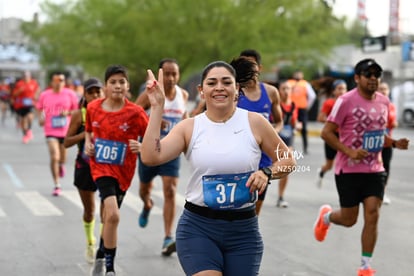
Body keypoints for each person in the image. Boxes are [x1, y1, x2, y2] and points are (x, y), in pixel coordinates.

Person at [140, 61, 296, 275]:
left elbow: (288, 159)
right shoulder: (190, 127)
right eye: (212, 83)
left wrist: (267, 172)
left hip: (244, 231)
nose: (219, 87)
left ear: (237, 89)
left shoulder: (255, 122)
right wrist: (157, 107)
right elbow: (150, 156)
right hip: (199, 228)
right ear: (201, 91)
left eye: (226, 82)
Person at [313, 58, 409, 276]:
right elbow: (326, 132)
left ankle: (365, 266)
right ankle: (326, 217)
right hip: (348, 170)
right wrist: (349, 151)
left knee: (373, 214)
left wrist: (393, 143)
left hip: (375, 169)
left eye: (377, 74)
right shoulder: (345, 101)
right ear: (357, 78)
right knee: (349, 220)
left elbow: (377, 134)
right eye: (369, 74)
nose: (374, 78)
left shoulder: (384, 102)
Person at [84, 65, 148, 276]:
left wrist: (142, 147)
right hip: (100, 167)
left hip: (124, 170)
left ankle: (102, 254)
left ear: (127, 86)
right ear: (106, 86)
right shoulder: (93, 107)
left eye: (122, 82)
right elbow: (89, 131)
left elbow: (152, 137)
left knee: (108, 217)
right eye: (113, 82)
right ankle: (109, 268)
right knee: (113, 215)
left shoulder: (136, 113)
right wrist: (88, 144)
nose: (118, 86)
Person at [135, 58, 189, 256]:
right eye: (167, 73)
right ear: (160, 74)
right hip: (149, 149)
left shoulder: (183, 95)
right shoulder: (150, 94)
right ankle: (147, 204)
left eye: (174, 73)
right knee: (144, 189)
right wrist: (154, 119)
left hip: (171, 151)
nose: (171, 78)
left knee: (170, 190)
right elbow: (133, 112)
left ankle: (168, 236)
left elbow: (186, 121)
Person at [231, 49, 283, 215]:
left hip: (263, 158)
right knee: (233, 206)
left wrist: (270, 133)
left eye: (251, 65)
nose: (247, 69)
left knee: (254, 211)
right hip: (238, 155)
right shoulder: (234, 92)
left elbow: (280, 121)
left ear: (259, 68)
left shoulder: (271, 92)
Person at [63, 77, 104, 264]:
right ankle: (90, 242)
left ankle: (104, 245)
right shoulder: (79, 114)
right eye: (91, 92)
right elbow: (66, 142)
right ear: (85, 95)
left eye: (98, 91)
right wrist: (85, 133)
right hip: (85, 167)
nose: (95, 95)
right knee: (90, 211)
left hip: (106, 166)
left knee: (108, 211)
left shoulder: (111, 112)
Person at [36, 72, 79, 196]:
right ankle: (56, 184)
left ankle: (61, 165)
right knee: (54, 156)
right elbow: (39, 108)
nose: (59, 82)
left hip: (66, 131)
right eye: (56, 80)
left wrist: (68, 113)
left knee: (62, 158)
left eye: (61, 80)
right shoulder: (45, 94)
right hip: (50, 130)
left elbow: (77, 110)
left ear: (64, 82)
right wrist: (40, 118)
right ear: (52, 82)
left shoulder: (70, 94)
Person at [316, 79, 347, 188]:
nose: (342, 91)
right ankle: (322, 171)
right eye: (339, 89)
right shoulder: (329, 103)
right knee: (329, 165)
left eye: (344, 89)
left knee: (344, 161)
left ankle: (344, 183)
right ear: (334, 91)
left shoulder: (348, 103)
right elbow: (320, 118)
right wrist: (333, 123)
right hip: (331, 136)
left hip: (345, 137)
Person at [275, 80, 301, 208]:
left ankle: (281, 196)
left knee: (286, 168)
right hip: (274, 138)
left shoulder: (293, 106)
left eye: (288, 89)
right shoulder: (276, 105)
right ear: (279, 90)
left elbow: (294, 122)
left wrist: (297, 125)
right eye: (283, 88)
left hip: (288, 138)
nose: (286, 91)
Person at [287, 70, 316, 154]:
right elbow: (312, 97)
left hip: (299, 109)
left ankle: (303, 148)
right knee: (291, 128)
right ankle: (291, 147)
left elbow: (312, 96)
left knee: (301, 129)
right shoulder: (289, 83)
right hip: (292, 108)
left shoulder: (305, 84)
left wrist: (307, 106)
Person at [377, 81, 397, 205]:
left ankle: (382, 193)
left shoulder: (391, 106)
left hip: (387, 143)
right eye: (381, 89)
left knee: (386, 168)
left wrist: (394, 124)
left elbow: (393, 122)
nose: (384, 91)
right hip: (374, 144)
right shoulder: (372, 105)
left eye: (385, 89)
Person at [12, 71, 40, 143]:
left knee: (30, 117)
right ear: (23, 77)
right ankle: (25, 135)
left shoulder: (33, 83)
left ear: (30, 76)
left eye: (27, 76)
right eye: (25, 76)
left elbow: (38, 89)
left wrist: (36, 95)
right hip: (21, 105)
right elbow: (14, 94)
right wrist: (19, 91)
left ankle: (29, 130)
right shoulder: (19, 84)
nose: (26, 77)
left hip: (30, 103)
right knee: (23, 122)